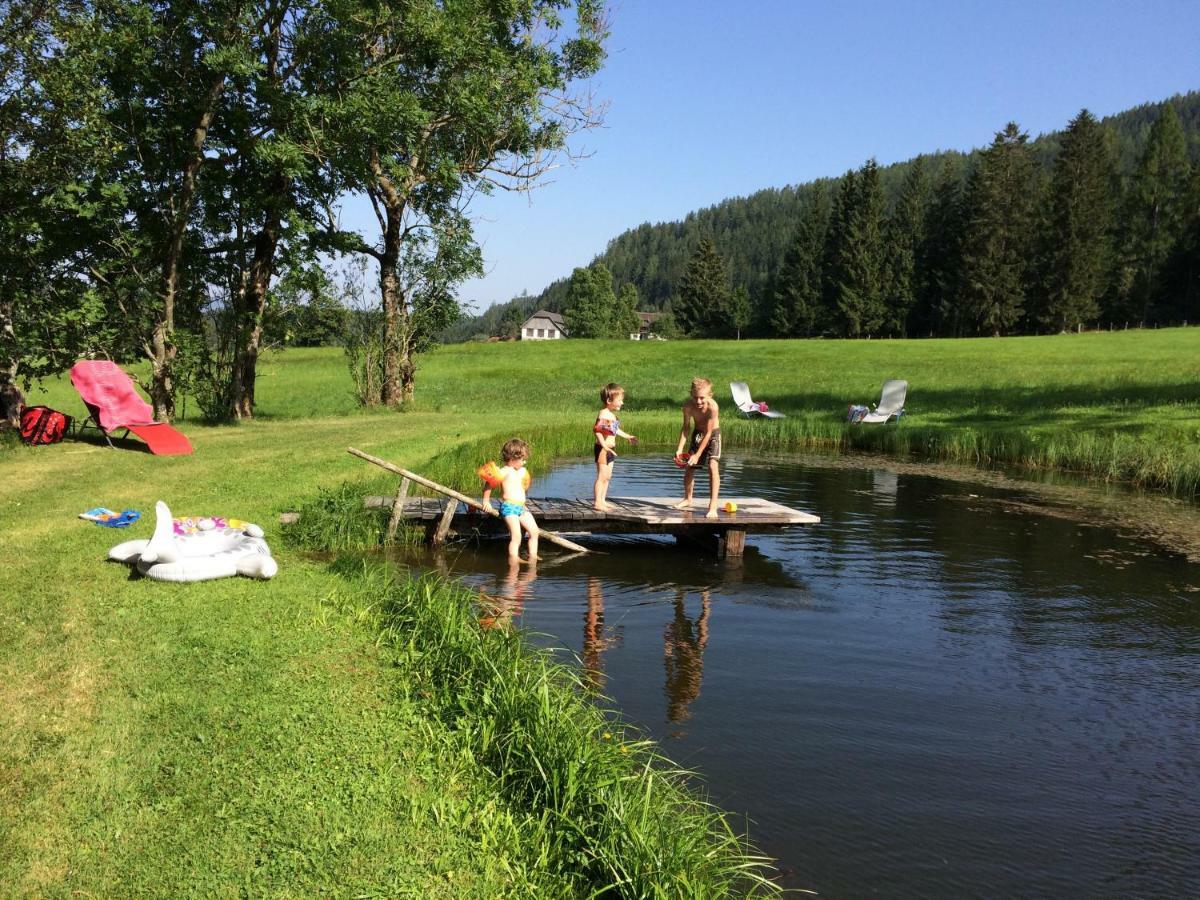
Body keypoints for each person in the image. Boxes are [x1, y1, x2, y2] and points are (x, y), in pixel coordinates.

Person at [480, 438, 540, 562]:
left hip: (522, 507)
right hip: (510, 507)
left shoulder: (522, 471)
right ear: (513, 458)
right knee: (516, 536)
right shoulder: (504, 471)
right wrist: (486, 501)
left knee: (535, 532)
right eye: (522, 459)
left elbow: (523, 489)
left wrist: (524, 503)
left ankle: (533, 555)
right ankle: (514, 559)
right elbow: (489, 484)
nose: (524, 462)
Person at [673, 377, 722, 518]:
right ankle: (687, 499)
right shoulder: (688, 407)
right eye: (695, 398)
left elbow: (709, 432)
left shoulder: (713, 407)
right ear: (691, 395)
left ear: (709, 395)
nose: (699, 401)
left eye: (702, 398)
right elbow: (686, 428)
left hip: (713, 435)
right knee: (689, 467)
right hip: (698, 434)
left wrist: (697, 455)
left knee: (712, 466)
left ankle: (712, 506)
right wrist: (679, 449)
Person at [592, 382, 637, 511]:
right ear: (609, 400)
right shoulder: (603, 414)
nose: (622, 403)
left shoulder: (612, 416)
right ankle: (597, 503)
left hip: (610, 449)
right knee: (602, 476)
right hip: (603, 449)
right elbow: (597, 431)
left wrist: (628, 436)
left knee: (608, 476)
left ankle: (603, 500)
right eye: (620, 400)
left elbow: (615, 430)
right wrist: (604, 446)